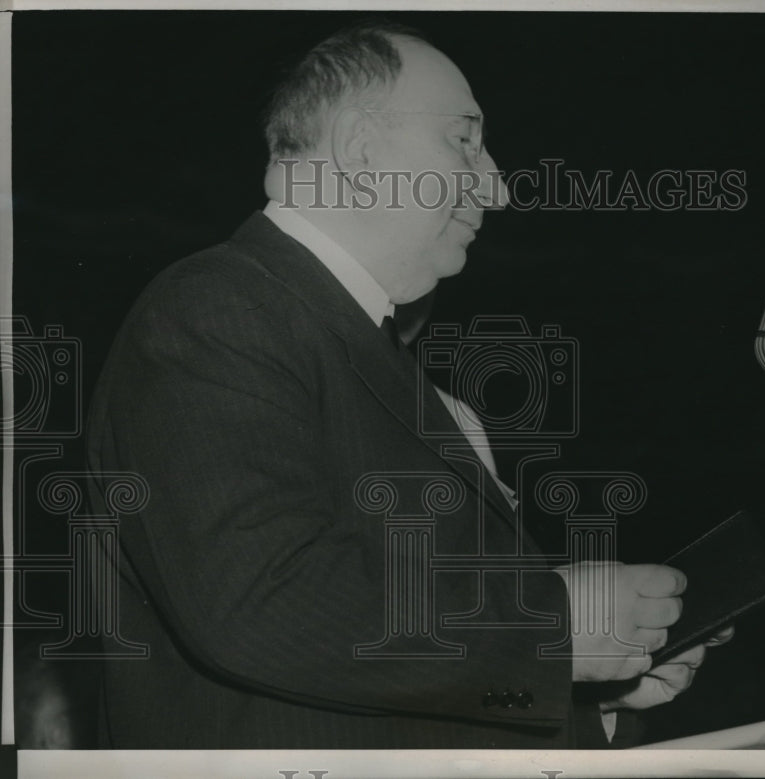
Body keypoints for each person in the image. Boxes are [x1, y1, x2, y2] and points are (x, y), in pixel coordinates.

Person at [85, 20, 727, 749]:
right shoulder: (214, 308)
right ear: (362, 149)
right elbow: (264, 602)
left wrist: (589, 682)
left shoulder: (349, 345)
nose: (499, 185)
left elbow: (399, 667)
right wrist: (554, 627)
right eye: (464, 139)